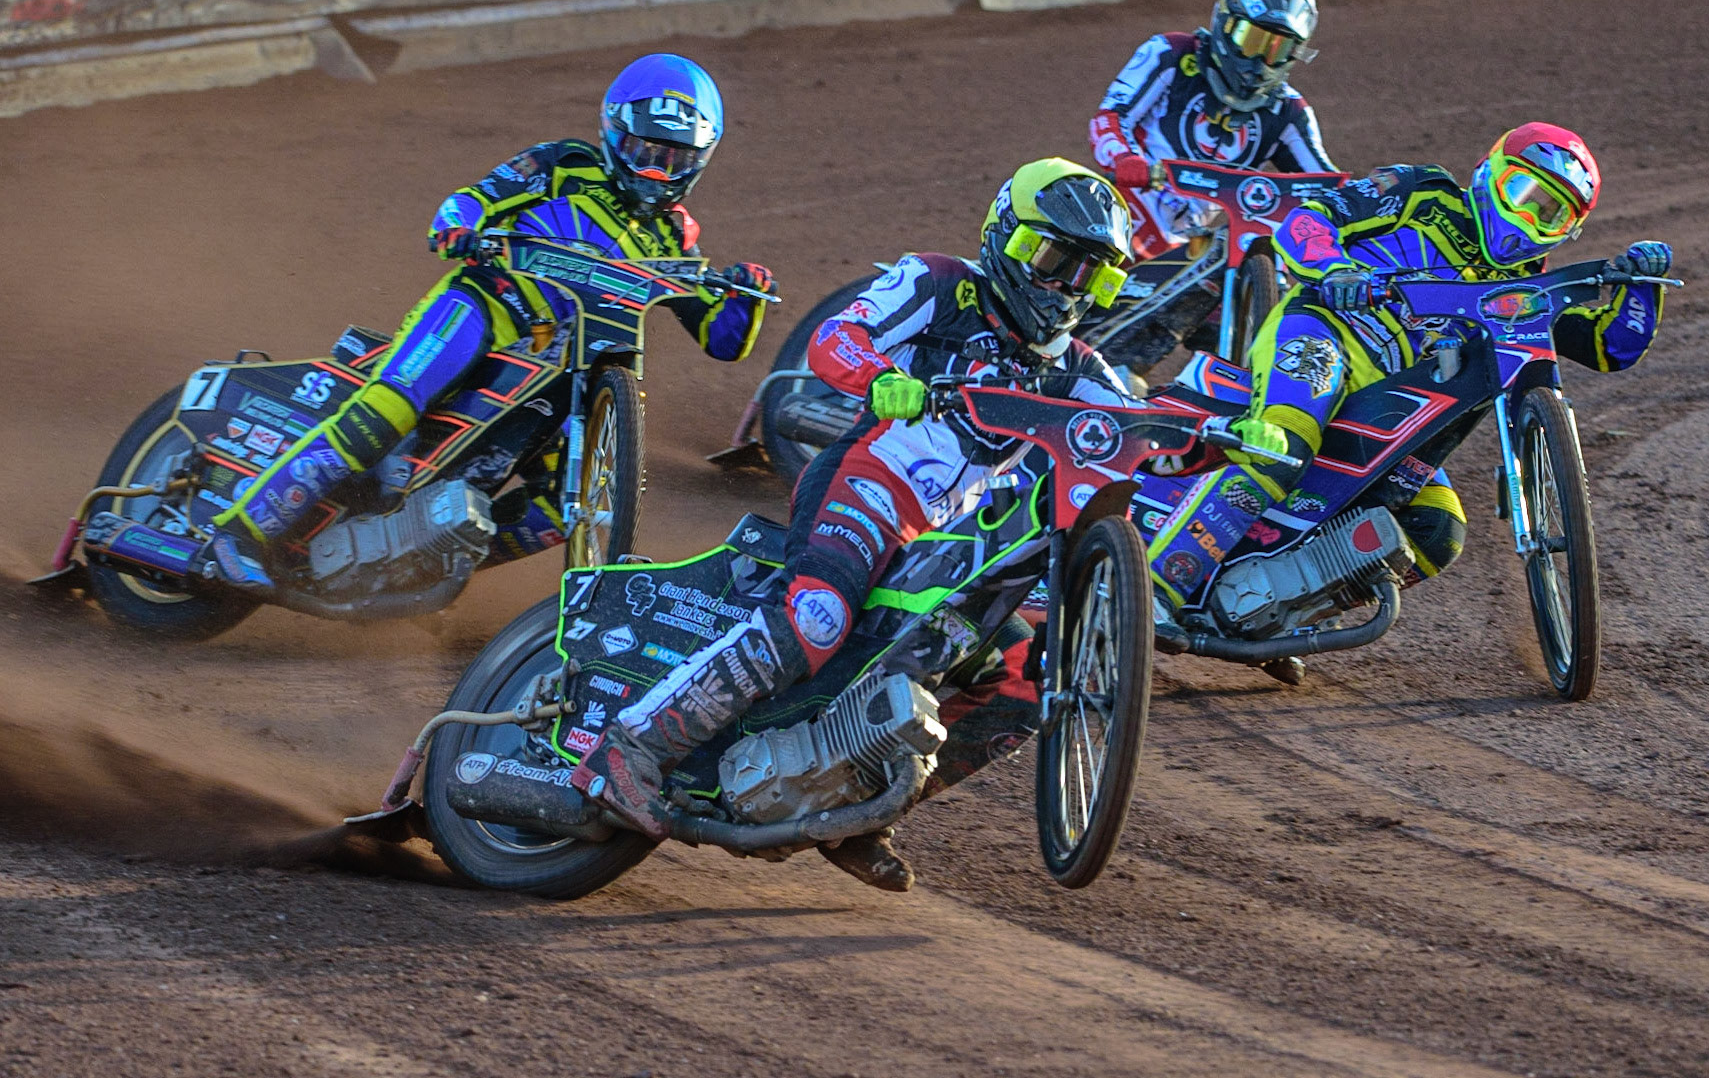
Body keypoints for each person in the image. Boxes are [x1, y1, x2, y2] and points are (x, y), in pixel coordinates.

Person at [570, 158, 1138, 884]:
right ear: (1006, 234)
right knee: (817, 615)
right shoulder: (940, 283)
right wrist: (881, 377)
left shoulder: (1079, 369)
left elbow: (1137, 435)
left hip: (947, 540)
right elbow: (836, 336)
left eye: (1092, 276)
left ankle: (861, 807)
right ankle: (631, 748)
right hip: (868, 482)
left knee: (1026, 677)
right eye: (1054, 260)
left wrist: (1228, 435)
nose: (1064, 288)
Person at [196, 54, 772, 589]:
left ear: (700, 160)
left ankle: (424, 565)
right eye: (644, 151)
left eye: (674, 160)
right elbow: (473, 199)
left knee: (561, 505)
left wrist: (748, 293)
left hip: (561, 367)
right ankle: (238, 534)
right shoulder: (563, 165)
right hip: (485, 308)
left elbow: (721, 339)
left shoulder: (674, 240)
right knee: (388, 410)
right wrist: (459, 227)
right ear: (613, 132)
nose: (655, 171)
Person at [1140, 122, 1671, 676]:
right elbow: (1305, 222)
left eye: (1552, 213)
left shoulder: (1526, 290)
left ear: (1570, 231)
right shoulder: (1421, 192)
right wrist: (1335, 268)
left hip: (1395, 409)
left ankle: (1274, 613)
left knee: (1438, 530)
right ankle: (1157, 586)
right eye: (1524, 193)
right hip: (1326, 336)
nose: (1530, 218)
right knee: (1281, 443)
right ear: (1490, 174)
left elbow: (1609, 347)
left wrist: (1642, 285)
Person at [1089, 0, 1338, 390]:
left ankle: (1235, 385)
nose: (1260, 61)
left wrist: (1362, 202)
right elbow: (1111, 118)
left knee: (1257, 256)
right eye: (1253, 40)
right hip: (1118, 226)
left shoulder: (1287, 110)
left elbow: (1325, 181)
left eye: (1278, 49)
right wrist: (1127, 160)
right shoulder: (1171, 55)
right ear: (1224, 24)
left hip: (1194, 250)